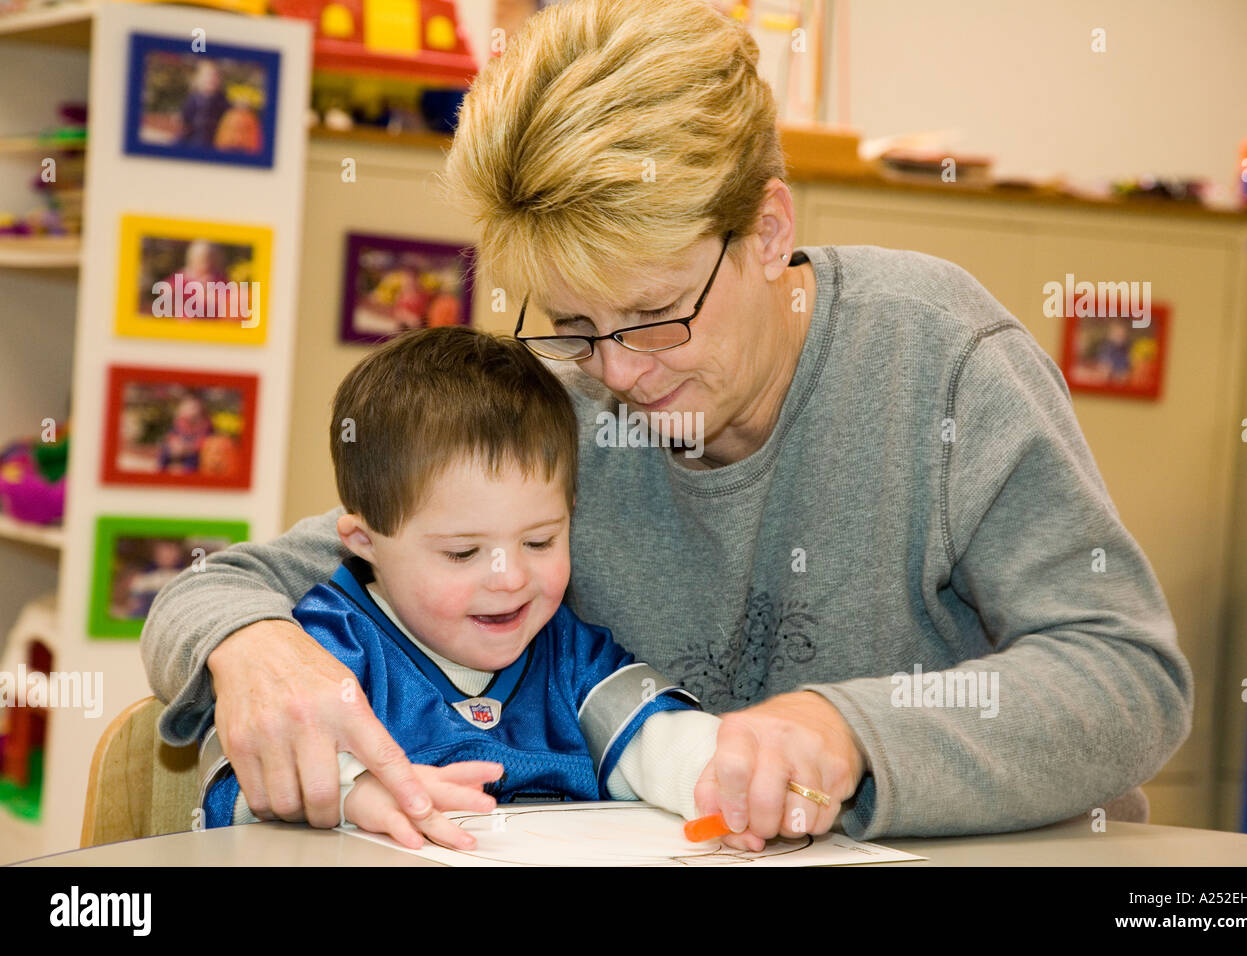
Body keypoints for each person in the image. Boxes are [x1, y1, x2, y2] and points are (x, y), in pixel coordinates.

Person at [142, 0, 1193, 851]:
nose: (618, 371)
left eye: (654, 315)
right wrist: (252, 641)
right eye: (574, 325)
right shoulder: (567, 399)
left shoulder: (938, 359)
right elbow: (232, 582)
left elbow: (1125, 675)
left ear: (767, 231)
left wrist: (849, 731)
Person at [196, 327, 721, 848]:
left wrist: (723, 773)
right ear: (364, 542)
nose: (510, 578)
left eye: (539, 542)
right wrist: (352, 796)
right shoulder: (326, 650)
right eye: (462, 553)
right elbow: (234, 777)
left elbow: (662, 743)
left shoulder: (570, 654)